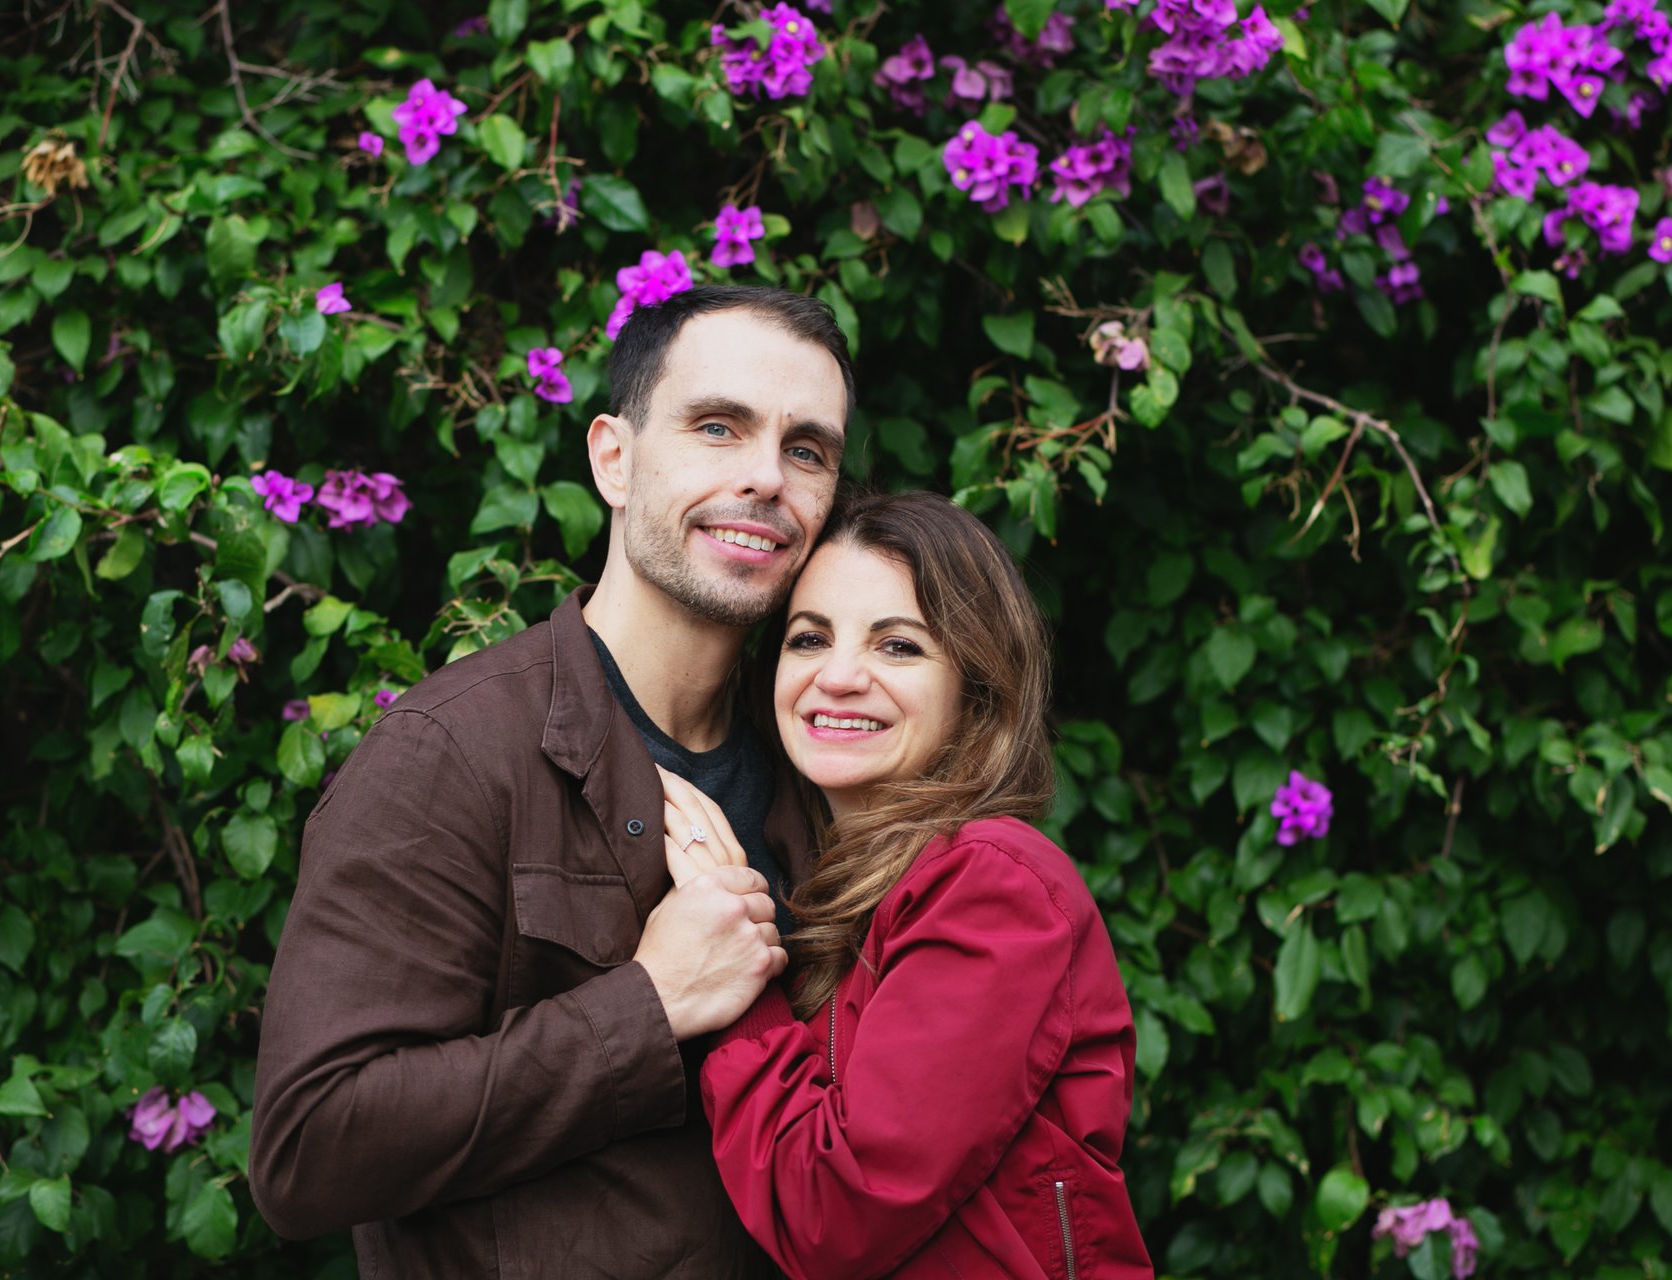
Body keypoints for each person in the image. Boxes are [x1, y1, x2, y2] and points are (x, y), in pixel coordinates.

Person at [248, 285, 854, 1277]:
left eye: (808, 450)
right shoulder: (453, 751)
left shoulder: (827, 767)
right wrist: (649, 1005)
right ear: (613, 458)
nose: (765, 476)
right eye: (717, 426)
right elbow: (310, 1148)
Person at [658, 491, 1155, 1279]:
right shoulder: (844, 887)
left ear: (975, 688)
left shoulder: (991, 887)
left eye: (898, 646)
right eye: (809, 637)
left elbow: (837, 1214)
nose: (839, 676)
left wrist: (733, 974)